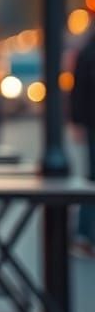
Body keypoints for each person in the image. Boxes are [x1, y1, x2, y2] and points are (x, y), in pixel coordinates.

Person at [69, 32, 95, 257]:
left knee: (91, 179)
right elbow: (79, 89)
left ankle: (84, 235)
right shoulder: (88, 52)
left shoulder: (86, 51)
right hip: (91, 124)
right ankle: (85, 235)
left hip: (90, 123)